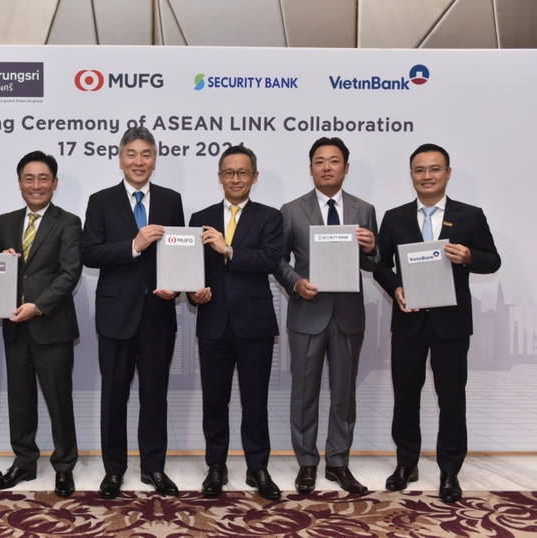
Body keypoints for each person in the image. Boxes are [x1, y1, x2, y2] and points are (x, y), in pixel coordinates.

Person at [373, 143, 500, 503]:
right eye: (419, 170)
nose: (426, 176)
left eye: (434, 169)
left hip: (451, 325)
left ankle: (449, 471)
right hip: (409, 321)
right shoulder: (394, 217)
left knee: (451, 398)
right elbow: (379, 264)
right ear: (411, 174)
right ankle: (406, 464)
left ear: (447, 172)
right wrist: (395, 286)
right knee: (406, 396)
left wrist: (470, 255)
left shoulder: (470, 216)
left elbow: (493, 261)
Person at [82, 126, 185, 499]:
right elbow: (89, 253)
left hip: (159, 312)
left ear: (154, 160)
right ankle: (114, 470)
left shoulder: (171, 199)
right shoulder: (101, 201)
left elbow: (179, 252)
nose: (139, 161)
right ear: (120, 158)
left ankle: (154, 467)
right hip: (116, 314)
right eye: (132, 154)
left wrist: (178, 282)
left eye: (146, 154)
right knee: (114, 395)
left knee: (155, 395)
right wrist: (133, 245)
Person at [274, 137, 379, 495]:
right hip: (307, 312)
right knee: (304, 392)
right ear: (310, 168)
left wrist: (372, 248)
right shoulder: (291, 210)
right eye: (320, 161)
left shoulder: (364, 210)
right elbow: (278, 259)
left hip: (348, 315)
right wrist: (295, 283)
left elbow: (373, 263)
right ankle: (306, 462)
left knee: (344, 393)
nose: (327, 167)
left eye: (334, 161)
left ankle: (338, 462)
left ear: (346, 168)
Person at [187, 145, 284, 500]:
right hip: (213, 321)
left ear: (254, 177)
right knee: (215, 400)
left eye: (243, 172)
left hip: (254, 323)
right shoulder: (201, 216)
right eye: (229, 172)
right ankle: (216, 465)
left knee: (255, 401)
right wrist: (192, 294)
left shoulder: (270, 217)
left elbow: (271, 260)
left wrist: (227, 250)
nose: (236, 179)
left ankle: (258, 467)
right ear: (219, 177)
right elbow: (190, 269)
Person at [0, 151, 82, 498]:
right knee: (20, 401)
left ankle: (63, 465)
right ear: (19, 183)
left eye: (44, 178)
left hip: (51, 327)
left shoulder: (68, 222)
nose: (36, 185)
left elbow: (70, 273)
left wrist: (37, 307)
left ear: (54, 184)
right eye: (29, 178)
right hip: (14, 328)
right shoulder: (6, 221)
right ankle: (24, 462)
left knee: (59, 401)